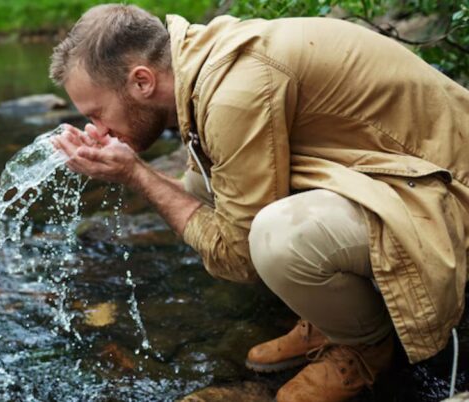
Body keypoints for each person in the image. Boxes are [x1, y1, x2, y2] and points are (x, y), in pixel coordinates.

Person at [50, 3, 469, 401]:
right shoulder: (203, 63)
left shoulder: (233, 92)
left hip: (444, 191)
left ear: (142, 82)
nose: (97, 129)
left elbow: (241, 257)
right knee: (200, 189)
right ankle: (331, 318)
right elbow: (204, 201)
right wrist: (132, 167)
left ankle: (365, 346)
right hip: (390, 173)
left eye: (97, 113)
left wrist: (136, 174)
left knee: (277, 238)